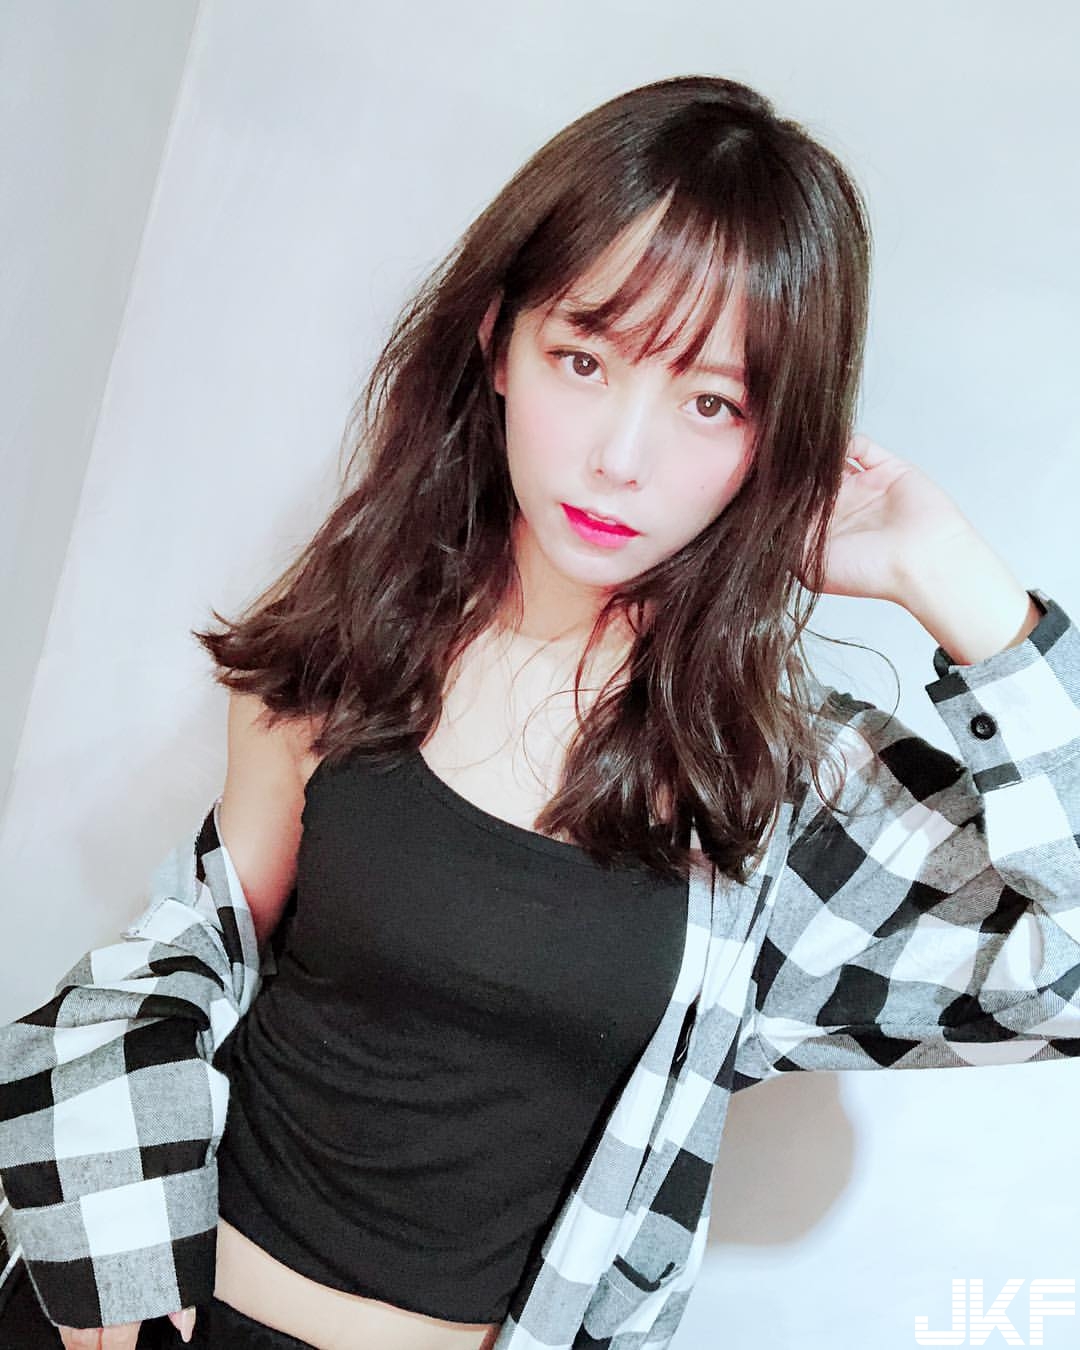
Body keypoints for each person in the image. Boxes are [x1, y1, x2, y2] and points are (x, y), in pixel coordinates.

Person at [1, 72, 1078, 1350]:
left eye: (712, 402)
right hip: (138, 1318)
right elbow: (201, 943)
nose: (621, 457)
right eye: (583, 358)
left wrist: (956, 584)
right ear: (497, 341)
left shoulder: (781, 783)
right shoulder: (362, 628)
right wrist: (108, 1260)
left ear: (773, 439)